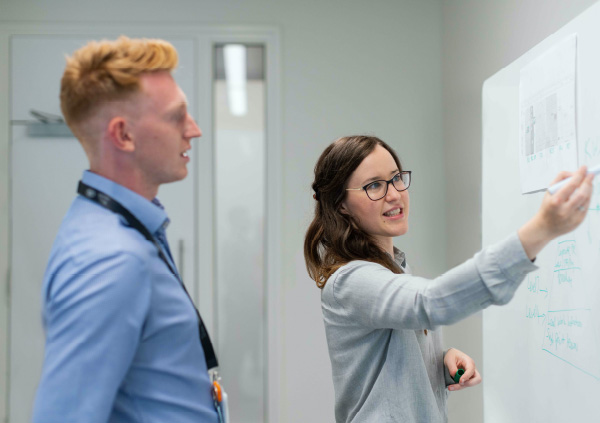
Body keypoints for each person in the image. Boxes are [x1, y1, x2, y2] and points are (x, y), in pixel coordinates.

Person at [304, 135, 594, 423]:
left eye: (396, 178)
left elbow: (386, 370)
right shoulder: (350, 281)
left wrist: (436, 361)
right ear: (341, 204)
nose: (394, 194)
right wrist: (540, 230)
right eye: (374, 186)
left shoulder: (395, 266)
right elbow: (429, 303)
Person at [33, 37, 220, 422]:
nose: (194, 130)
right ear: (123, 135)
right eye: (177, 116)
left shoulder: (122, 229)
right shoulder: (110, 259)